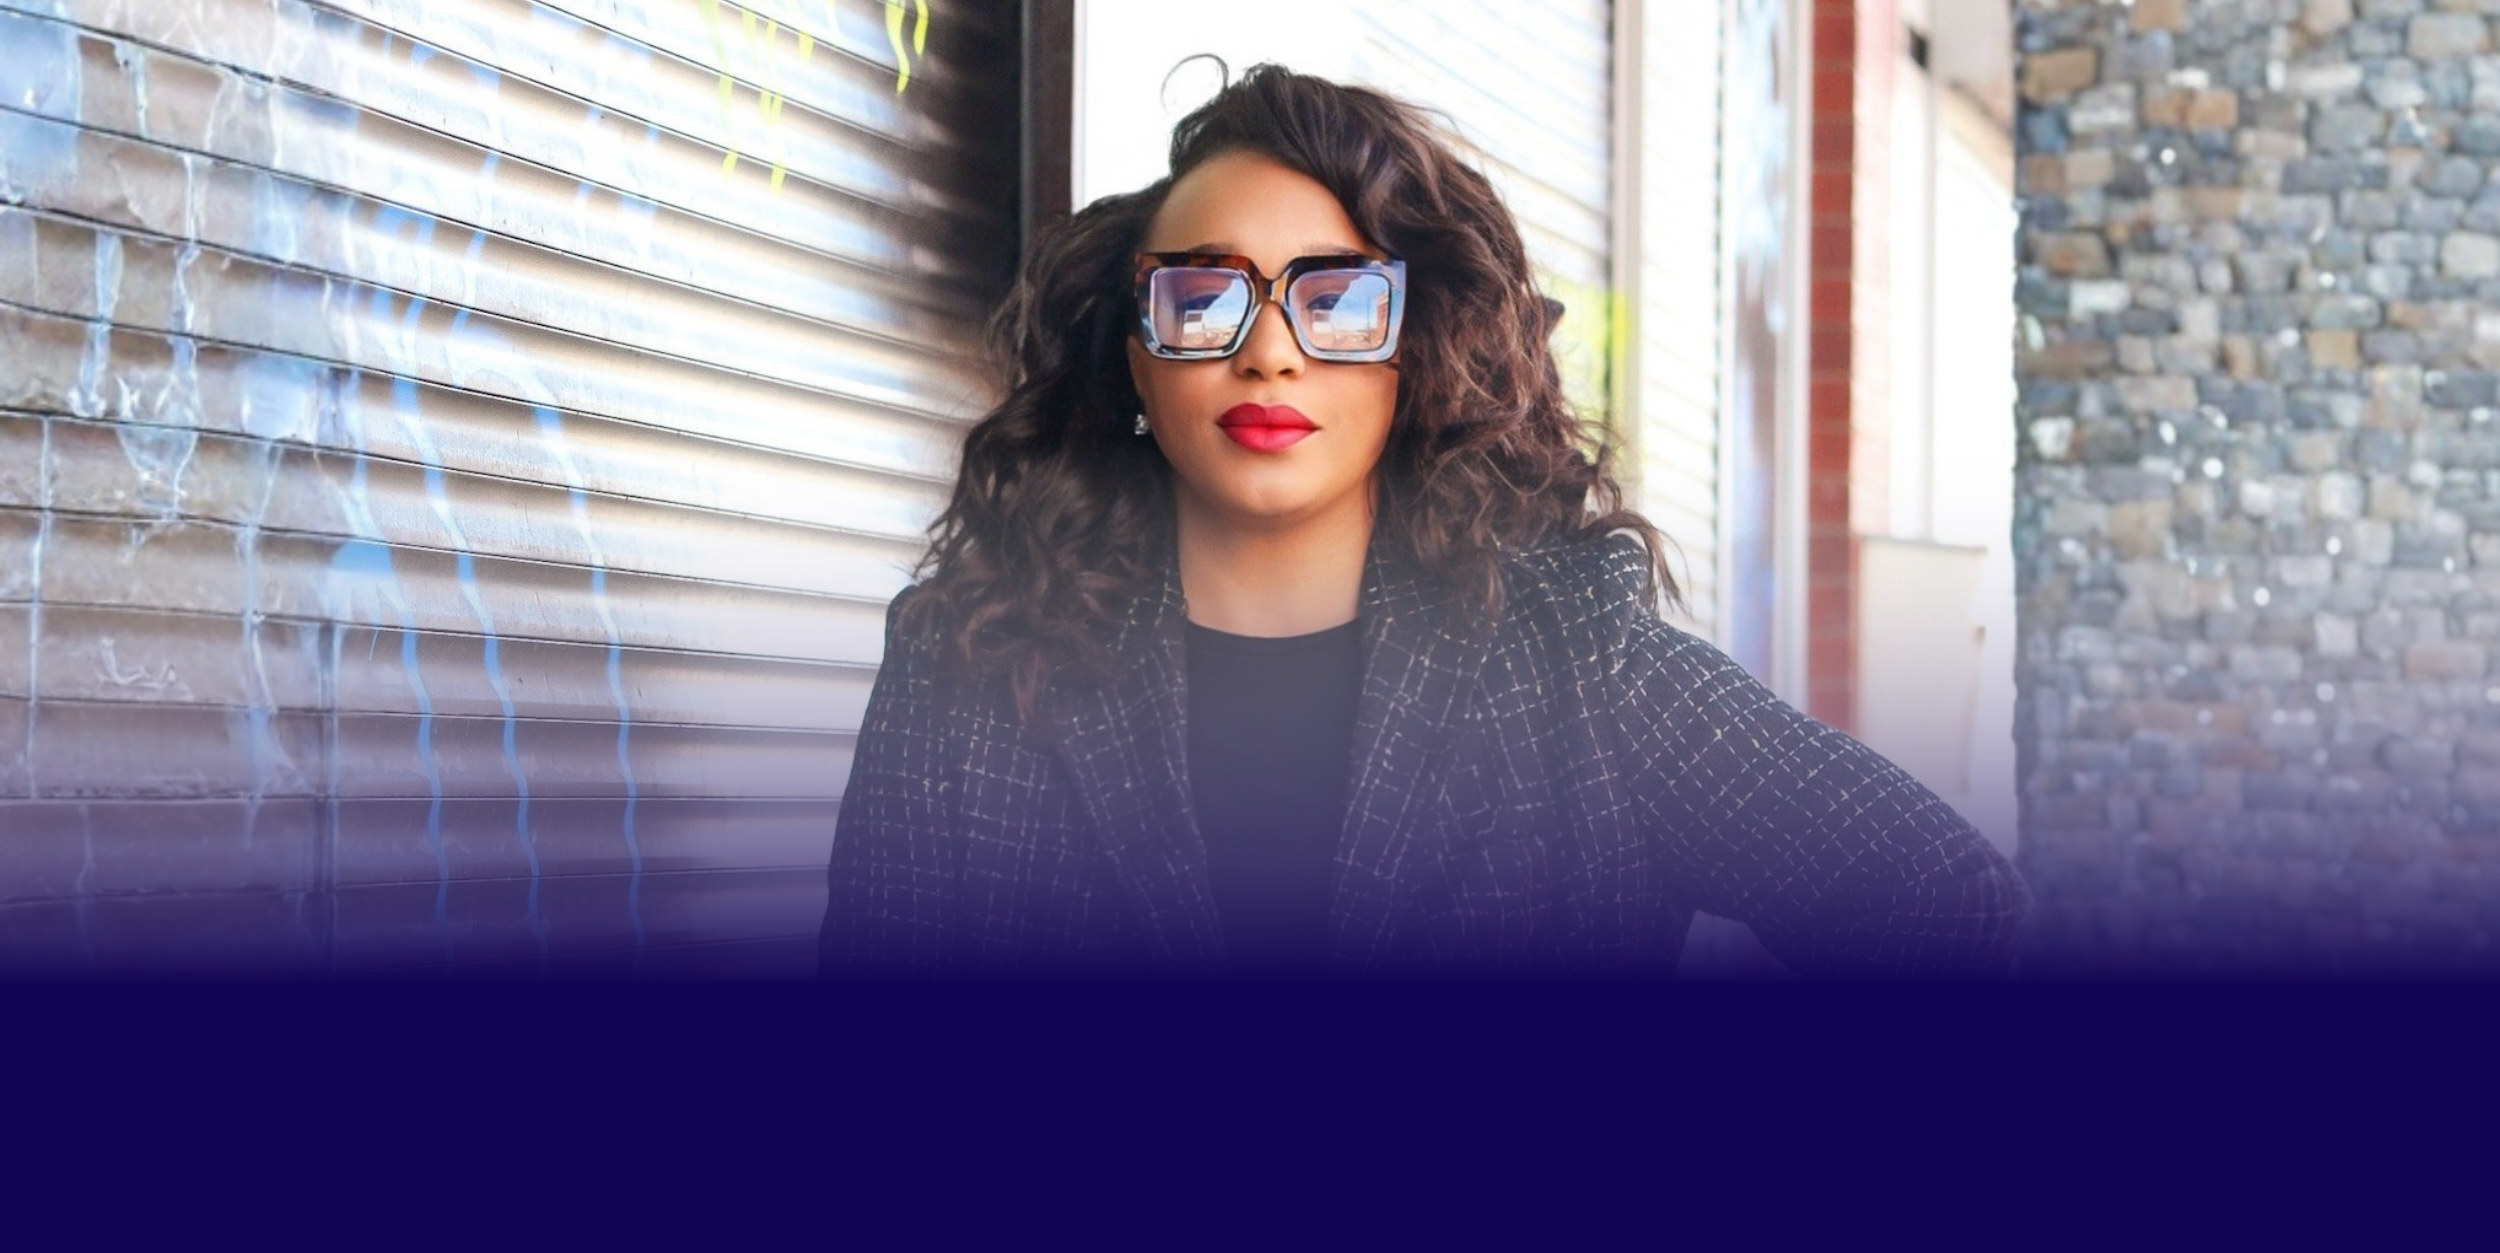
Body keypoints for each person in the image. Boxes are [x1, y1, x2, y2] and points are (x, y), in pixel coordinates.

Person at [817, 65, 2027, 979]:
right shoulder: (973, 660)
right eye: (1205, 297)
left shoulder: (1577, 661)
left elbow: (1950, 911)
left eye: (1337, 299)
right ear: (1135, 353)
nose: (1270, 352)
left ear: (1418, 348)